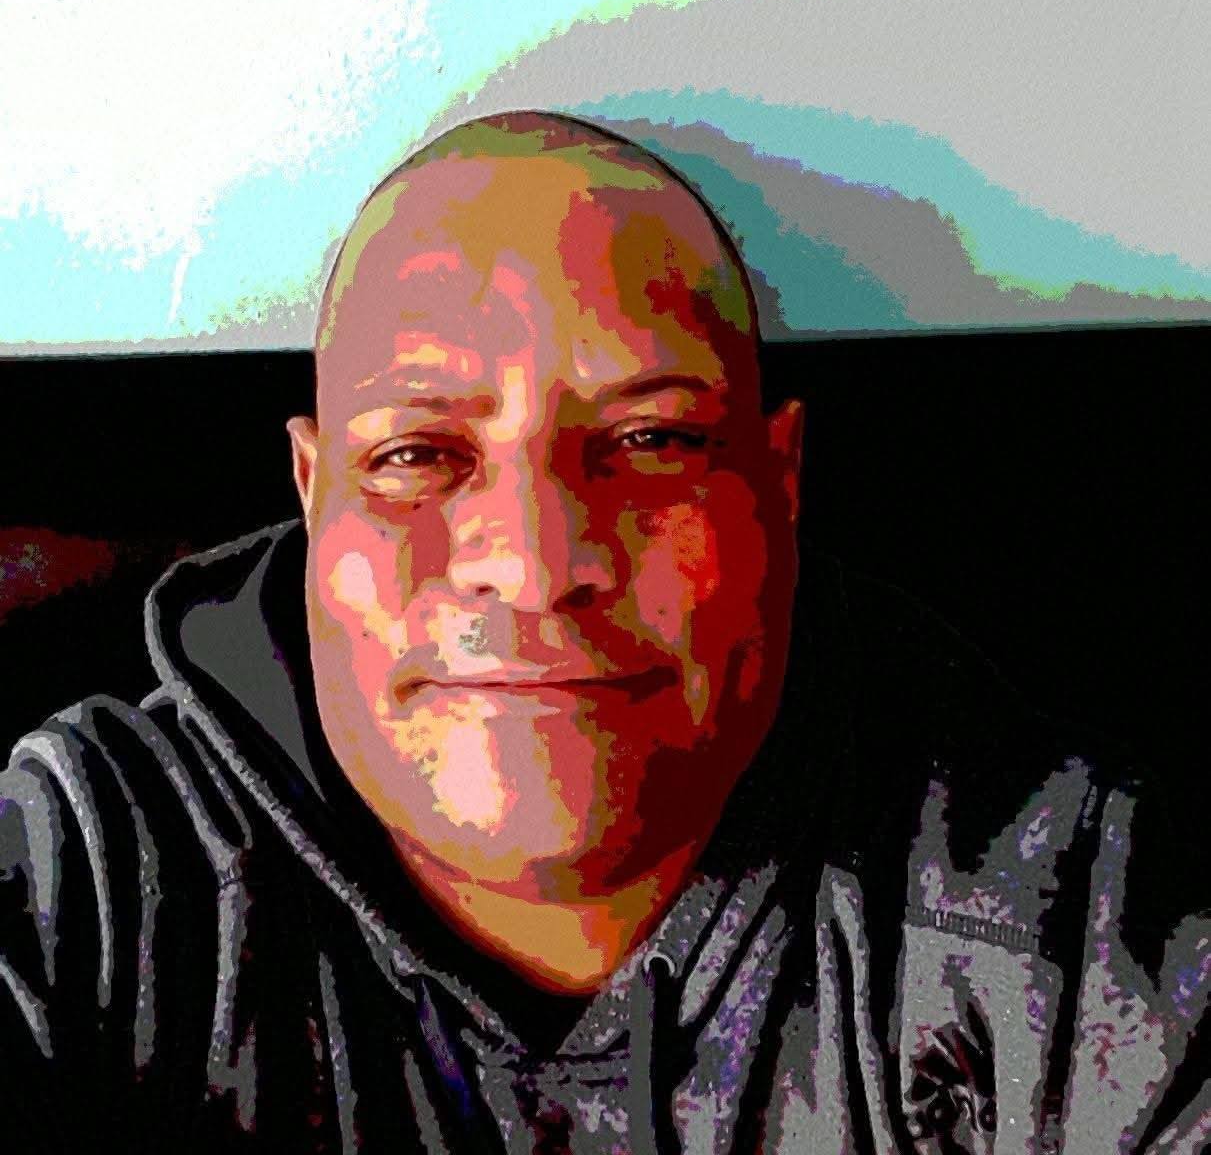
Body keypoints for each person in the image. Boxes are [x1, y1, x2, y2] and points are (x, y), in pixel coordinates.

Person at [1, 112, 1206, 1154]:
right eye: (417, 452)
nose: (534, 563)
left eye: (650, 439)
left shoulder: (1061, 910)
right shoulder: (95, 879)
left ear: (778, 479)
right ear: (313, 496)